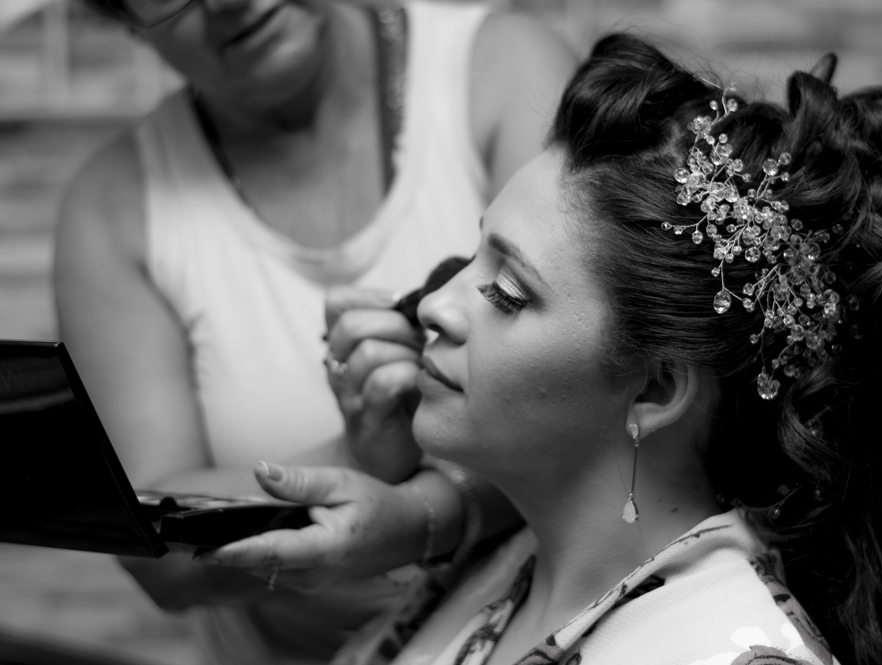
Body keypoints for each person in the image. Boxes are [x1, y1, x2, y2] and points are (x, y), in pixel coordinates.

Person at [211, 33, 882, 664]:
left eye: (507, 292)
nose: (433, 306)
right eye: (472, 254)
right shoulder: (503, 561)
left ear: (655, 389)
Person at [53, 0, 575, 663]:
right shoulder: (113, 210)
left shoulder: (504, 67)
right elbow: (161, 556)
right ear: (118, 15)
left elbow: (587, 403)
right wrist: (359, 457)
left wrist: (414, 519)